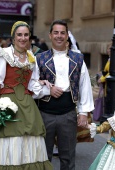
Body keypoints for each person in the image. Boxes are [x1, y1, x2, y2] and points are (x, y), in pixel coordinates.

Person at [0, 21, 53, 170]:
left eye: (26, 35)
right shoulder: (4, 54)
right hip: (7, 101)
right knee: (9, 141)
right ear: (13, 37)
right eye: (19, 35)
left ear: (29, 37)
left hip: (27, 104)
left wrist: (42, 83)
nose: (23, 38)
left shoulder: (30, 57)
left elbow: (31, 82)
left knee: (29, 141)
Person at [36, 19, 94, 170]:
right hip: (44, 113)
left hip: (68, 114)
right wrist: (48, 90)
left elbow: (84, 85)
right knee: (43, 155)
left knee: (68, 155)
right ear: (50, 35)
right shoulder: (39, 58)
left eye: (63, 33)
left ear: (67, 35)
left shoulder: (78, 58)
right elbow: (32, 85)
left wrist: (82, 112)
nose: (59, 36)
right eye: (56, 32)